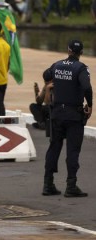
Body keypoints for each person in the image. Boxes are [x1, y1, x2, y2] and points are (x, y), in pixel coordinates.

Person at [42, 40, 93, 197]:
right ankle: (71, 186)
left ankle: (48, 184)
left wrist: (49, 85)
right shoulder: (81, 68)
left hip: (57, 113)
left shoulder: (56, 65)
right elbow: (86, 87)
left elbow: (46, 74)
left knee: (54, 147)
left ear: (68, 50)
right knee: (73, 150)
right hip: (73, 115)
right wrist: (90, 105)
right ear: (81, 53)